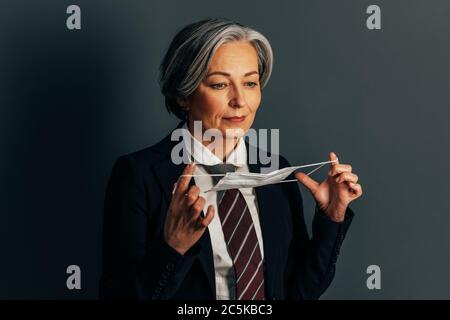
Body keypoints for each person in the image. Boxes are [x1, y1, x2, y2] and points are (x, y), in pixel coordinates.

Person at [99, 18, 363, 300]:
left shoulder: (277, 170)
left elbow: (297, 292)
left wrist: (332, 218)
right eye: (219, 85)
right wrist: (173, 248)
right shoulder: (138, 176)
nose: (239, 100)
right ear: (183, 96)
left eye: (250, 83)